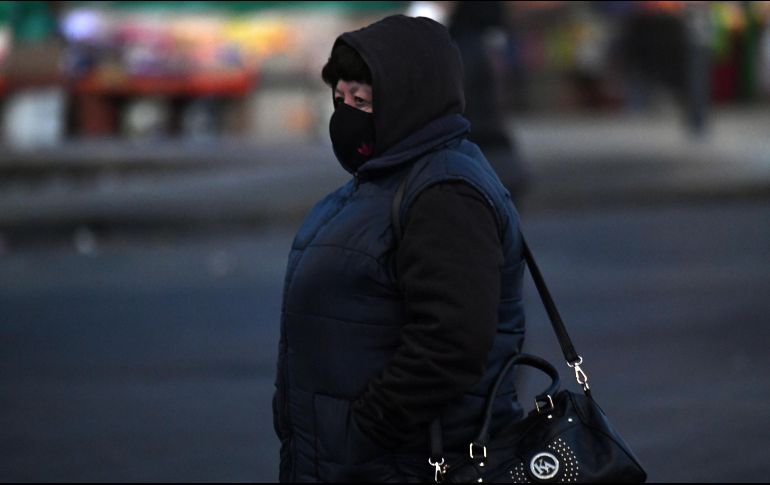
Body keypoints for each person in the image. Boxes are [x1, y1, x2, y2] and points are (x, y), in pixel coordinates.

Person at [273, 15, 526, 482]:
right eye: (339, 98)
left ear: (409, 99)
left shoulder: (445, 192)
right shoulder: (383, 180)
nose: (345, 114)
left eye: (362, 100)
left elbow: (451, 342)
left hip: (403, 464)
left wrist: (366, 427)